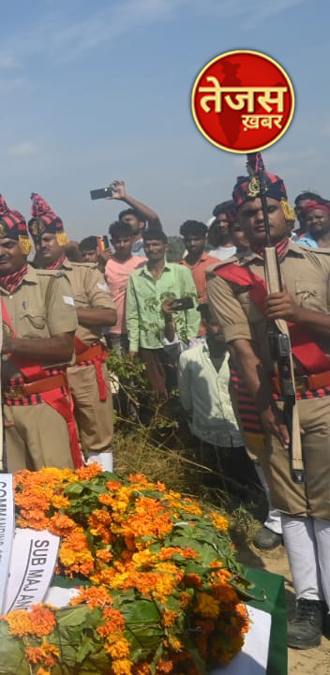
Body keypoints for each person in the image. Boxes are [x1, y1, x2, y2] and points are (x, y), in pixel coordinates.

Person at [207, 155, 330, 649]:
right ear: (238, 223)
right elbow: (242, 350)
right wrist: (265, 409)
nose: (260, 218)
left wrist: (299, 312)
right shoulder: (225, 279)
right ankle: (307, 600)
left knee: (325, 505)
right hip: (276, 401)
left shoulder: (320, 264)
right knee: (292, 506)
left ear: (287, 212)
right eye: (249, 213)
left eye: (269, 209)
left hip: (323, 395)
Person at [0, 186, 80, 472]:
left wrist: (12, 345)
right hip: (4, 407)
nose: (0, 252)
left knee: (55, 488)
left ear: (24, 246)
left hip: (45, 402)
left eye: (8, 244)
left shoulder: (51, 283)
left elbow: (65, 347)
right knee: (17, 494)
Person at [29, 193, 118, 471]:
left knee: (97, 438)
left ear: (62, 239)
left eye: (48, 239)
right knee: (56, 438)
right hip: (48, 374)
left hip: (85, 368)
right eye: (37, 241)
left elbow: (108, 315)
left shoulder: (85, 273)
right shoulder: (29, 279)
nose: (42, 245)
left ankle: (103, 494)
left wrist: (65, 312)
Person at [176, 307, 257, 501]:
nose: (220, 329)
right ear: (205, 324)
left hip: (240, 433)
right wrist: (192, 417)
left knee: (248, 483)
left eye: (224, 324)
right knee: (216, 486)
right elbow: (185, 395)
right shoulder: (189, 358)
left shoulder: (243, 357)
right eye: (214, 323)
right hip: (207, 433)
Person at [126, 229, 200, 397]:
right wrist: (133, 346)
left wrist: (190, 339)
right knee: (157, 393)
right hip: (149, 343)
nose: (151, 249)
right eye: (148, 245)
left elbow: (192, 308)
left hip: (178, 340)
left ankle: (184, 423)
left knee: (183, 389)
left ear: (165, 247)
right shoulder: (135, 277)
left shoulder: (180, 272)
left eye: (156, 244)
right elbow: (132, 313)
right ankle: (163, 423)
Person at [103, 221, 148, 354]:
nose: (122, 245)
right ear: (111, 242)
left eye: (125, 240)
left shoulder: (143, 264)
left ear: (133, 240)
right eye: (117, 241)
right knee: (121, 371)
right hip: (115, 330)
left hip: (141, 327)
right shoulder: (106, 265)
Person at [105, 179, 162, 255]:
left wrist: (125, 198)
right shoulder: (121, 248)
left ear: (141, 224)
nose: (125, 223)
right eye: (122, 221)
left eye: (128, 220)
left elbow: (154, 218)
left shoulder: (150, 241)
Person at [178, 220, 219, 302]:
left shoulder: (216, 265)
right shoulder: (177, 267)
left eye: (196, 239)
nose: (192, 243)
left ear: (206, 240)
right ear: (184, 241)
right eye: (188, 240)